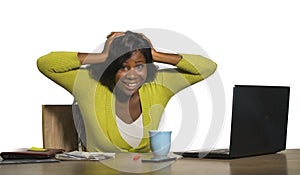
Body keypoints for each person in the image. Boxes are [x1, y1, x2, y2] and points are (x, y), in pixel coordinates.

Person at [37, 31, 217, 153]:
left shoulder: (158, 84)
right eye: (123, 67)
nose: (132, 75)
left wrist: (153, 54)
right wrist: (103, 56)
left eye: (139, 66)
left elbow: (208, 67)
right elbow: (46, 64)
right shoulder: (89, 85)